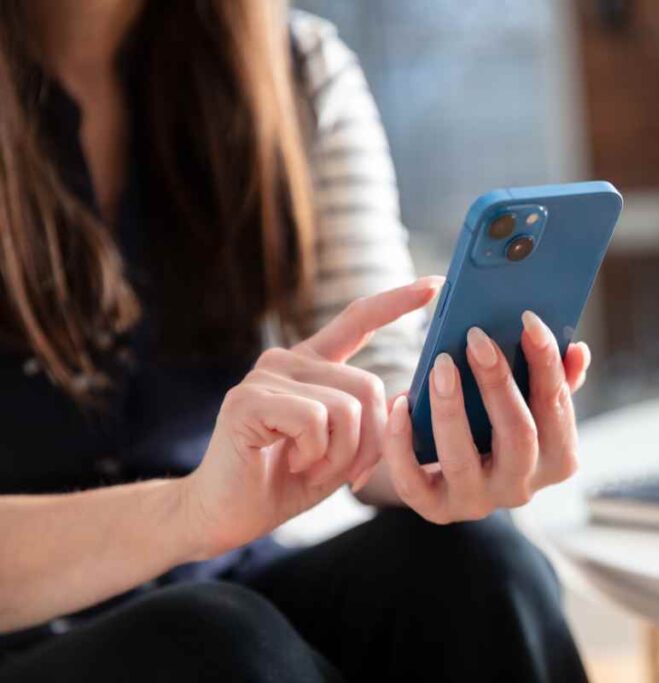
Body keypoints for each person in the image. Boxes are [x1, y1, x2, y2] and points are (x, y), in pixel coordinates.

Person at [0, 2, 593, 681]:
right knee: (213, 647)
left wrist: (441, 440)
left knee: (480, 564)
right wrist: (186, 512)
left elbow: (381, 372)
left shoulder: (294, 69)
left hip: (218, 583)